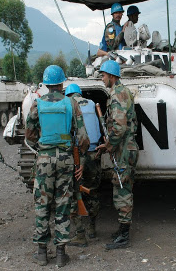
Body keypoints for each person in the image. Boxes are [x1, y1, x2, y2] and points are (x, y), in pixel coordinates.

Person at [25, 65, 89, 267]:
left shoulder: (37, 104)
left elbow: (29, 134)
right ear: (62, 83)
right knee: (63, 204)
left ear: (46, 84)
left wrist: (44, 146)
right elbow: (83, 138)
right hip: (65, 159)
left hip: (44, 159)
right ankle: (61, 254)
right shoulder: (72, 103)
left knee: (42, 204)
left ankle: (42, 253)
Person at [96, 60, 138, 250]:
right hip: (124, 147)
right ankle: (122, 229)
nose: (102, 79)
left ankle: (124, 235)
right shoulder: (122, 92)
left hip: (123, 148)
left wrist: (109, 145)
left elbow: (119, 127)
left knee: (122, 189)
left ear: (111, 76)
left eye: (103, 75)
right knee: (122, 186)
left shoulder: (117, 95)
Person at [65, 83, 102, 247]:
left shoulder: (67, 104)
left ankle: (80, 233)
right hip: (94, 153)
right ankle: (92, 228)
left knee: (74, 194)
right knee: (92, 191)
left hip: (77, 155)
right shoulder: (92, 104)